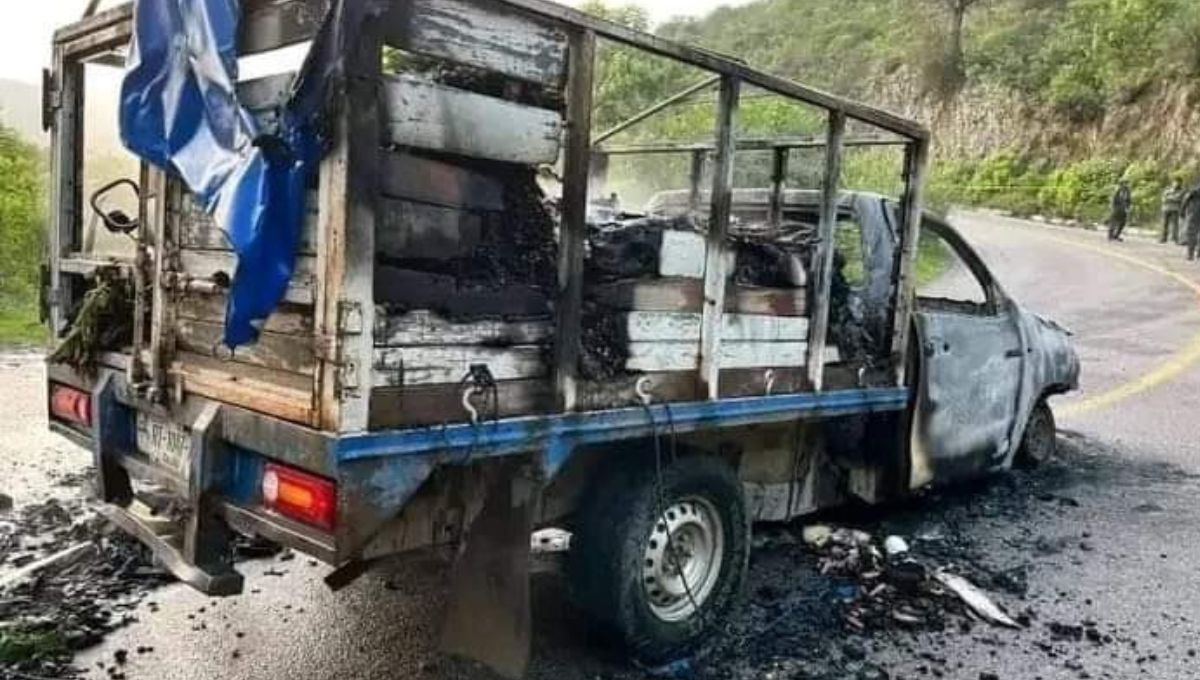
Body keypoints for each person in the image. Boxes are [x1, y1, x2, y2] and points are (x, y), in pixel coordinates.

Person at [1162, 178, 1184, 244]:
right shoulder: (1167, 189)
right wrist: (1170, 197)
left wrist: (1169, 197)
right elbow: (1163, 198)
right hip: (1166, 208)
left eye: (1177, 182)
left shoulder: (1181, 190)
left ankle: (1175, 238)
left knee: (1175, 225)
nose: (1176, 184)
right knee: (1165, 224)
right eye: (1175, 182)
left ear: (1180, 183)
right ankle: (1163, 238)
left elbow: (1178, 198)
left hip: (1175, 209)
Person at [1183, 181, 1200, 261]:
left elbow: (1186, 199)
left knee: (1192, 233)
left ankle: (1190, 254)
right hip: (1194, 212)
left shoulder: (1194, 189)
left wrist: (1182, 210)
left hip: (1194, 212)